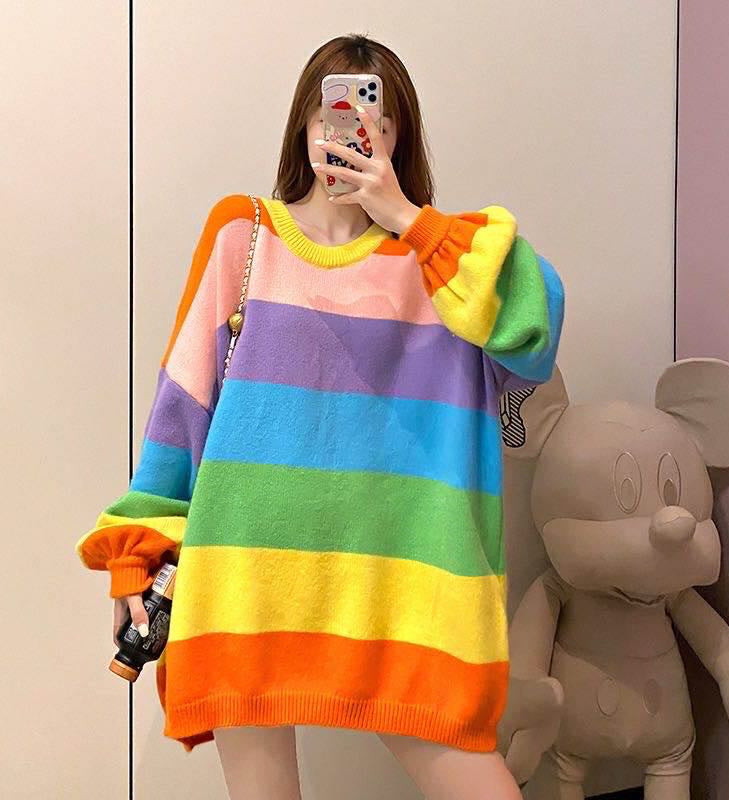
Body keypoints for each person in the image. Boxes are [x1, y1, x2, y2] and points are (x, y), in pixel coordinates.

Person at [74, 33, 565, 800]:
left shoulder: (443, 264)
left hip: (405, 592)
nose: (353, 131)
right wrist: (135, 558)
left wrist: (407, 218)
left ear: (398, 135)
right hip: (248, 579)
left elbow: (536, 327)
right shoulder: (244, 237)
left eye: (377, 117)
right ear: (305, 126)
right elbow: (181, 409)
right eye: (334, 111)